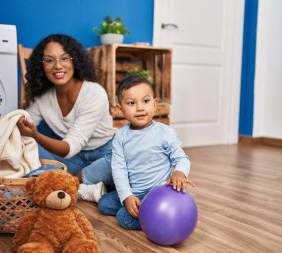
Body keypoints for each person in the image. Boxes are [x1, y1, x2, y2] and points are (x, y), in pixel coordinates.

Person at [17, 34, 116, 202]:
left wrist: (36, 135)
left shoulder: (94, 92)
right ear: (41, 66)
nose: (57, 66)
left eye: (64, 58)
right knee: (27, 144)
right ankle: (81, 187)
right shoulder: (43, 98)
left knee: (122, 158)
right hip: (73, 160)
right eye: (49, 60)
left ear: (74, 61)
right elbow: (21, 126)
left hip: (104, 155)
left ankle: (68, 183)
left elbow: (70, 146)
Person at [97, 75, 195, 230]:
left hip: (158, 193)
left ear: (155, 104)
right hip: (134, 190)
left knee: (123, 217)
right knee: (104, 205)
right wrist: (127, 196)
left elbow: (181, 158)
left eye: (146, 101)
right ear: (120, 109)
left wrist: (179, 173)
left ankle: (157, 217)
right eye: (131, 103)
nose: (140, 108)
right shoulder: (120, 136)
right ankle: (141, 210)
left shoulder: (165, 133)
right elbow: (118, 169)